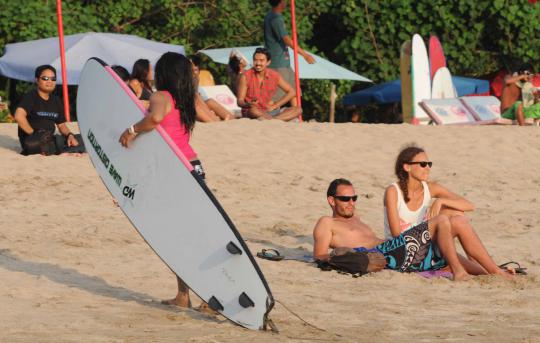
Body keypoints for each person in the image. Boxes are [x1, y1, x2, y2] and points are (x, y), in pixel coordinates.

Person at [119, 52, 209, 310]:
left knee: (178, 236)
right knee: (188, 234)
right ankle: (184, 295)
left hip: (175, 172)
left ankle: (207, 296)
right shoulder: (186, 99)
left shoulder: (160, 97)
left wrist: (132, 130)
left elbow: (155, 118)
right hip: (193, 167)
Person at [313, 178, 514, 281]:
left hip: (396, 250)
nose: (351, 203)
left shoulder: (357, 219)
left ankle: (492, 272)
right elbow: (320, 255)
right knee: (441, 221)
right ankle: (460, 273)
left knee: (454, 229)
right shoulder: (326, 223)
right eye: (345, 199)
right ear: (332, 200)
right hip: (386, 256)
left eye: (353, 198)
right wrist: (343, 259)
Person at [383, 145, 515, 276]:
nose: (428, 168)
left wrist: (441, 201)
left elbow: (469, 205)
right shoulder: (393, 191)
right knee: (442, 219)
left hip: (425, 250)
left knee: (458, 217)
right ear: (407, 167)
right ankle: (459, 270)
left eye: (429, 164)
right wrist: (433, 226)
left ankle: (495, 270)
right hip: (400, 252)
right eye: (423, 164)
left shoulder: (430, 188)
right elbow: (396, 234)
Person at [13, 65, 82, 155]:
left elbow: (61, 126)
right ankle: (62, 149)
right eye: (45, 78)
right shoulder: (31, 96)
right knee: (62, 143)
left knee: (81, 140)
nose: (49, 81)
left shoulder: (56, 100)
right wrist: (34, 134)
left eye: (53, 79)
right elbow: (18, 116)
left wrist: (70, 135)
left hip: (50, 139)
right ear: (37, 80)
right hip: (33, 141)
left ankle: (61, 148)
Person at [264, 0, 315, 105]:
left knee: (294, 91)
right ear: (280, 2)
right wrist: (305, 55)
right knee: (276, 95)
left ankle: (295, 115)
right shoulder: (275, 18)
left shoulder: (270, 15)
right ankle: (267, 116)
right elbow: (286, 40)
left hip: (283, 62)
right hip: (277, 62)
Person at [237, 47, 301, 121]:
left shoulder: (274, 75)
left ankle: (273, 119)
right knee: (253, 111)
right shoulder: (245, 76)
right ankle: (275, 120)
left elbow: (292, 92)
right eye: (255, 60)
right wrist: (247, 104)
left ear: (268, 62)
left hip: (269, 110)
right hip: (252, 111)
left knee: (298, 109)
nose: (258, 63)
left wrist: (276, 105)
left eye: (261, 60)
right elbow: (239, 101)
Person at [189, 55, 235, 122]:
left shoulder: (195, 80)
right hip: (191, 108)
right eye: (190, 69)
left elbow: (202, 99)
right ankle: (216, 120)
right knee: (198, 105)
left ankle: (231, 119)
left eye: (195, 70)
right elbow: (195, 99)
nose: (194, 73)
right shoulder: (184, 82)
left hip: (199, 106)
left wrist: (209, 110)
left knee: (209, 101)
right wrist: (209, 111)